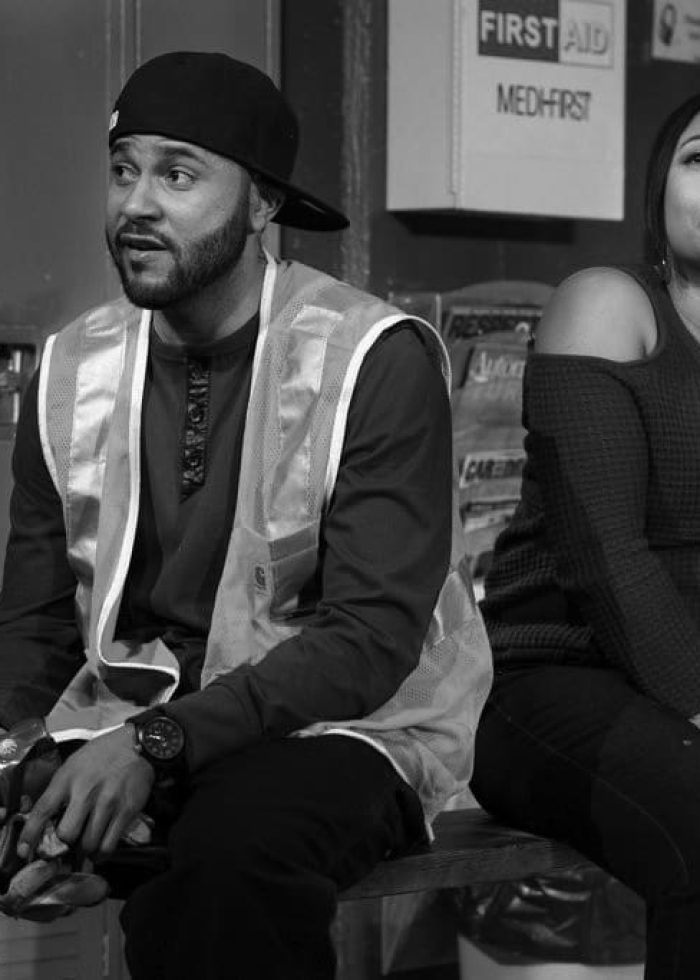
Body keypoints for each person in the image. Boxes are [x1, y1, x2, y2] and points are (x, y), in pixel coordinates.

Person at [0, 51, 492, 979]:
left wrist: (156, 746)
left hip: (347, 725)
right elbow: (31, 628)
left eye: (177, 174)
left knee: (233, 855)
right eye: (123, 170)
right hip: (138, 715)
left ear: (263, 204)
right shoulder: (74, 367)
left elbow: (369, 639)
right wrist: (13, 770)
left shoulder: (372, 359)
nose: (136, 203)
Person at [471, 91, 700, 979]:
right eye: (698, 158)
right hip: (555, 682)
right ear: (660, 186)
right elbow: (605, 557)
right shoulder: (607, 304)